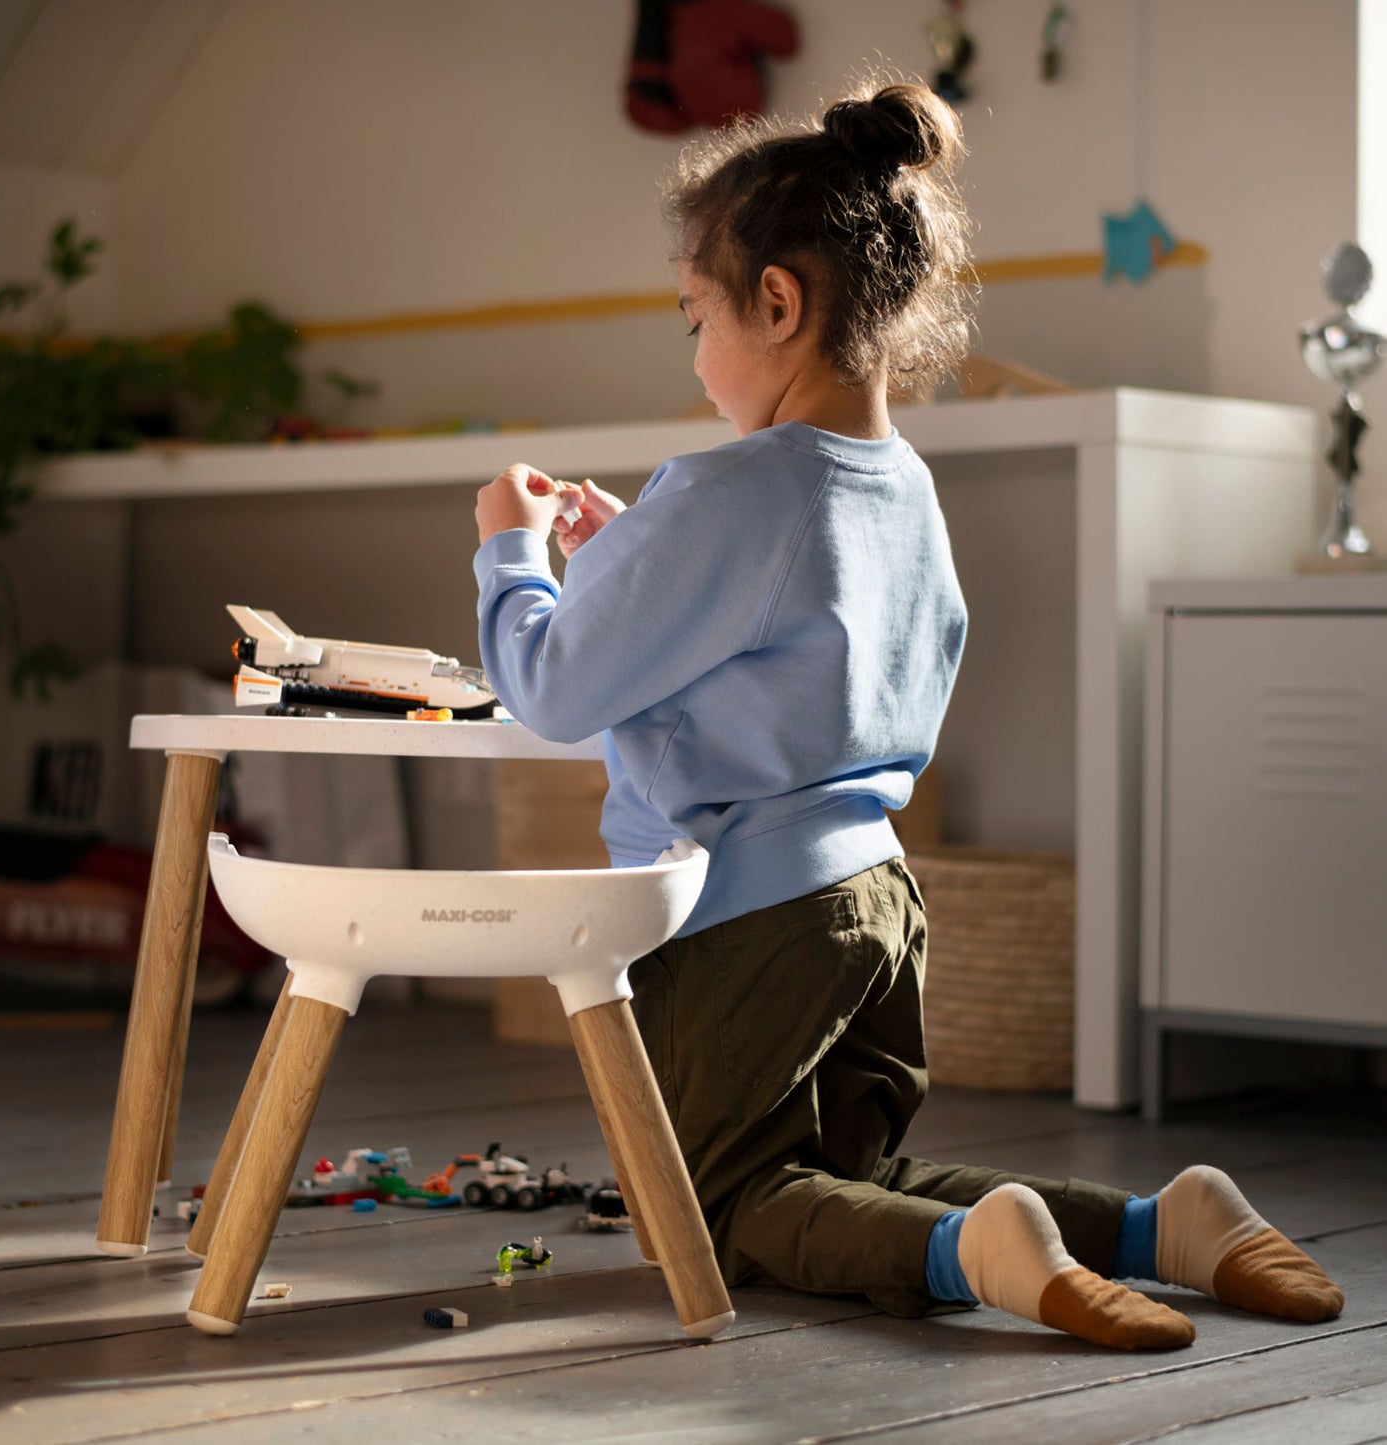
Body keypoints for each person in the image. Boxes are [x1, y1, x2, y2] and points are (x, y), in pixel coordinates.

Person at [472, 75, 1344, 1349]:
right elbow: (788, 639)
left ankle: (962, 1251)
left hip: (739, 921)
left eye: (692, 317)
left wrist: (515, 554)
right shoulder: (900, 488)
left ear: (777, 302)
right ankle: (1164, 1225)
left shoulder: (728, 492)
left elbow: (549, 687)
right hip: (876, 904)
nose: (696, 355)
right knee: (844, 1180)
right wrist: (633, 549)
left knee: (715, 1207)